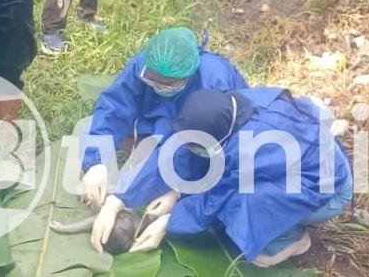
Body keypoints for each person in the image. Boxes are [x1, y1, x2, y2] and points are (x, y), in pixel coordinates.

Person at [89, 87, 353, 268]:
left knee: (248, 215)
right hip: (294, 160)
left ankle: (291, 240)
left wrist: (168, 223)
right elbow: (177, 154)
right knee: (223, 186)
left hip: (325, 188)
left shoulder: (253, 147)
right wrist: (118, 199)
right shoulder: (225, 111)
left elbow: (218, 197)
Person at [78, 27, 250, 208]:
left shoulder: (214, 81)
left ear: (187, 76)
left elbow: (188, 151)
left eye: (166, 83)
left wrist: (175, 192)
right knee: (91, 128)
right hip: (154, 124)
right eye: (152, 80)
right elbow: (114, 107)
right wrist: (96, 162)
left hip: (199, 141)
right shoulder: (147, 63)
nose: (157, 86)